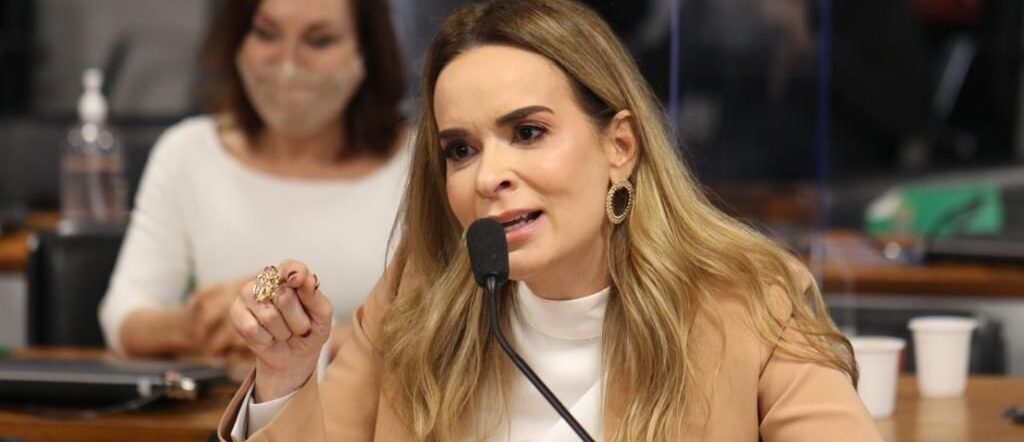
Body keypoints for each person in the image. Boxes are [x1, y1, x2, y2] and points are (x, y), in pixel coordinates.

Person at [218, 0, 882, 440]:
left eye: (528, 133)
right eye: (461, 150)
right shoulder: (418, 294)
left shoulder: (749, 296)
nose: (488, 176)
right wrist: (286, 376)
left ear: (620, 147)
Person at [97, 0, 407, 359]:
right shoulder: (188, 151)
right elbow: (122, 316)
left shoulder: (420, 163)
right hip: (227, 395)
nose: (288, 63)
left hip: (373, 396)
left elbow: (443, 334)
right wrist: (202, 324)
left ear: (367, 52)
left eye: (319, 41)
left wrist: (302, 336)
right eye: (267, 34)